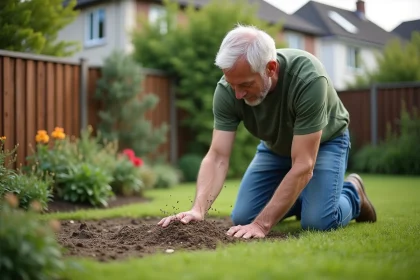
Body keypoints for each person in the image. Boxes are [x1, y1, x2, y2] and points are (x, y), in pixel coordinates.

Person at [158, 24, 377, 238]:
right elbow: (217, 156)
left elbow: (303, 165)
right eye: (231, 83)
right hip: (275, 147)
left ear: (270, 68)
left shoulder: (308, 78)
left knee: (318, 222)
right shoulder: (228, 89)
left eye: (245, 85)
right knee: (244, 216)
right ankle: (308, 197)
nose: (237, 95)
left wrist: (262, 225)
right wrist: (198, 209)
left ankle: (353, 193)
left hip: (325, 143)